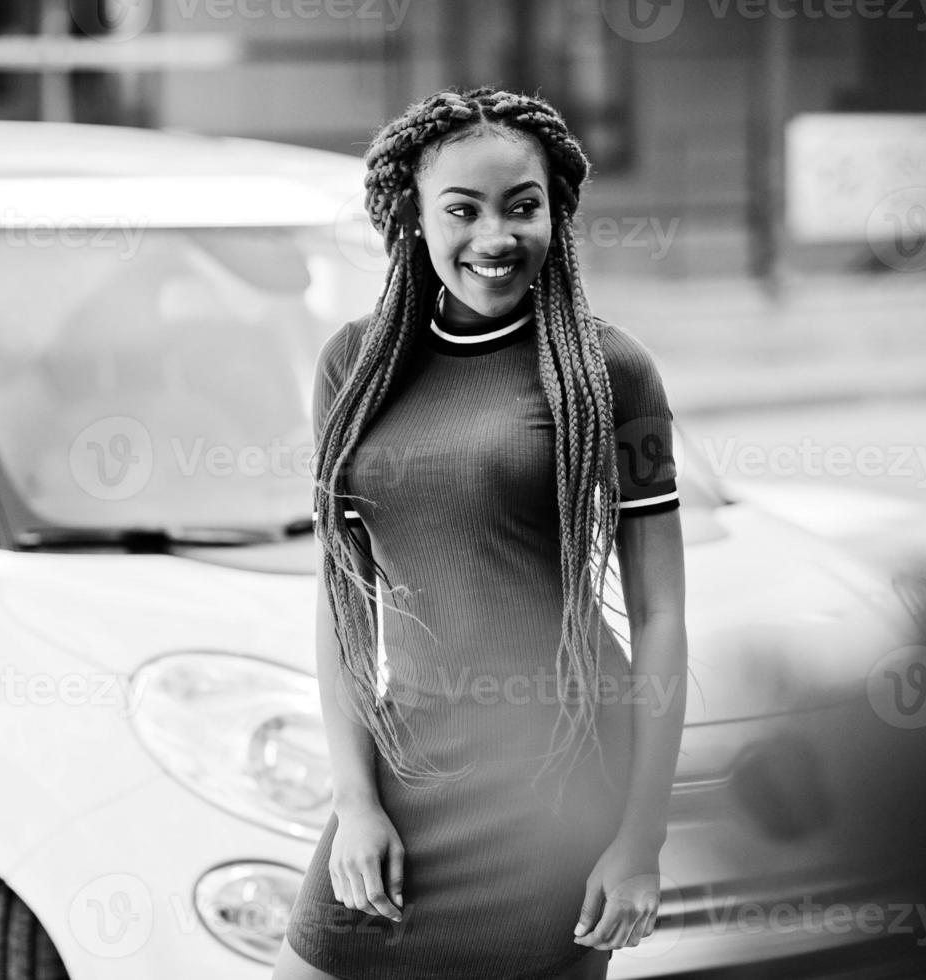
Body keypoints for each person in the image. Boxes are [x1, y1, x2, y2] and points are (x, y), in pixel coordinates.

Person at [276, 86, 689, 980]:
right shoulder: (353, 366)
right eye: (461, 209)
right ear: (412, 221)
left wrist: (638, 841)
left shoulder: (611, 372)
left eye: (523, 206)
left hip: (558, 783)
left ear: (557, 213)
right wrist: (354, 802)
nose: (495, 238)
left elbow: (658, 618)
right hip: (408, 763)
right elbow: (343, 604)